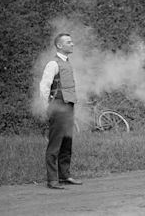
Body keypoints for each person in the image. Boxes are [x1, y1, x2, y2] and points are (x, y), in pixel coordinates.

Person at [40, 33, 82, 189]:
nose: (72, 44)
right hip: (57, 105)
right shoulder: (53, 64)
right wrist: (47, 108)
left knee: (67, 142)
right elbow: (44, 86)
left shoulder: (67, 63)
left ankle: (64, 176)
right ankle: (52, 180)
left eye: (72, 41)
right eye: (68, 42)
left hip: (68, 105)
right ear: (59, 45)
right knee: (55, 143)